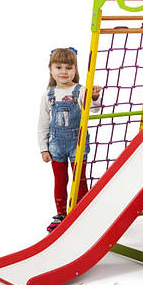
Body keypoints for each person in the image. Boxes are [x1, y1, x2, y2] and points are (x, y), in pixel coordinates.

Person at [38, 47, 102, 232]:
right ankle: (61, 214)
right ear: (51, 69)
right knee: (60, 180)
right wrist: (43, 148)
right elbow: (43, 122)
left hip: (77, 143)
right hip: (56, 145)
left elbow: (95, 110)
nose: (64, 72)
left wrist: (95, 97)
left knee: (79, 179)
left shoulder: (80, 90)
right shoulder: (48, 94)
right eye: (59, 67)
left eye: (69, 67)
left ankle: (82, 211)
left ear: (75, 69)